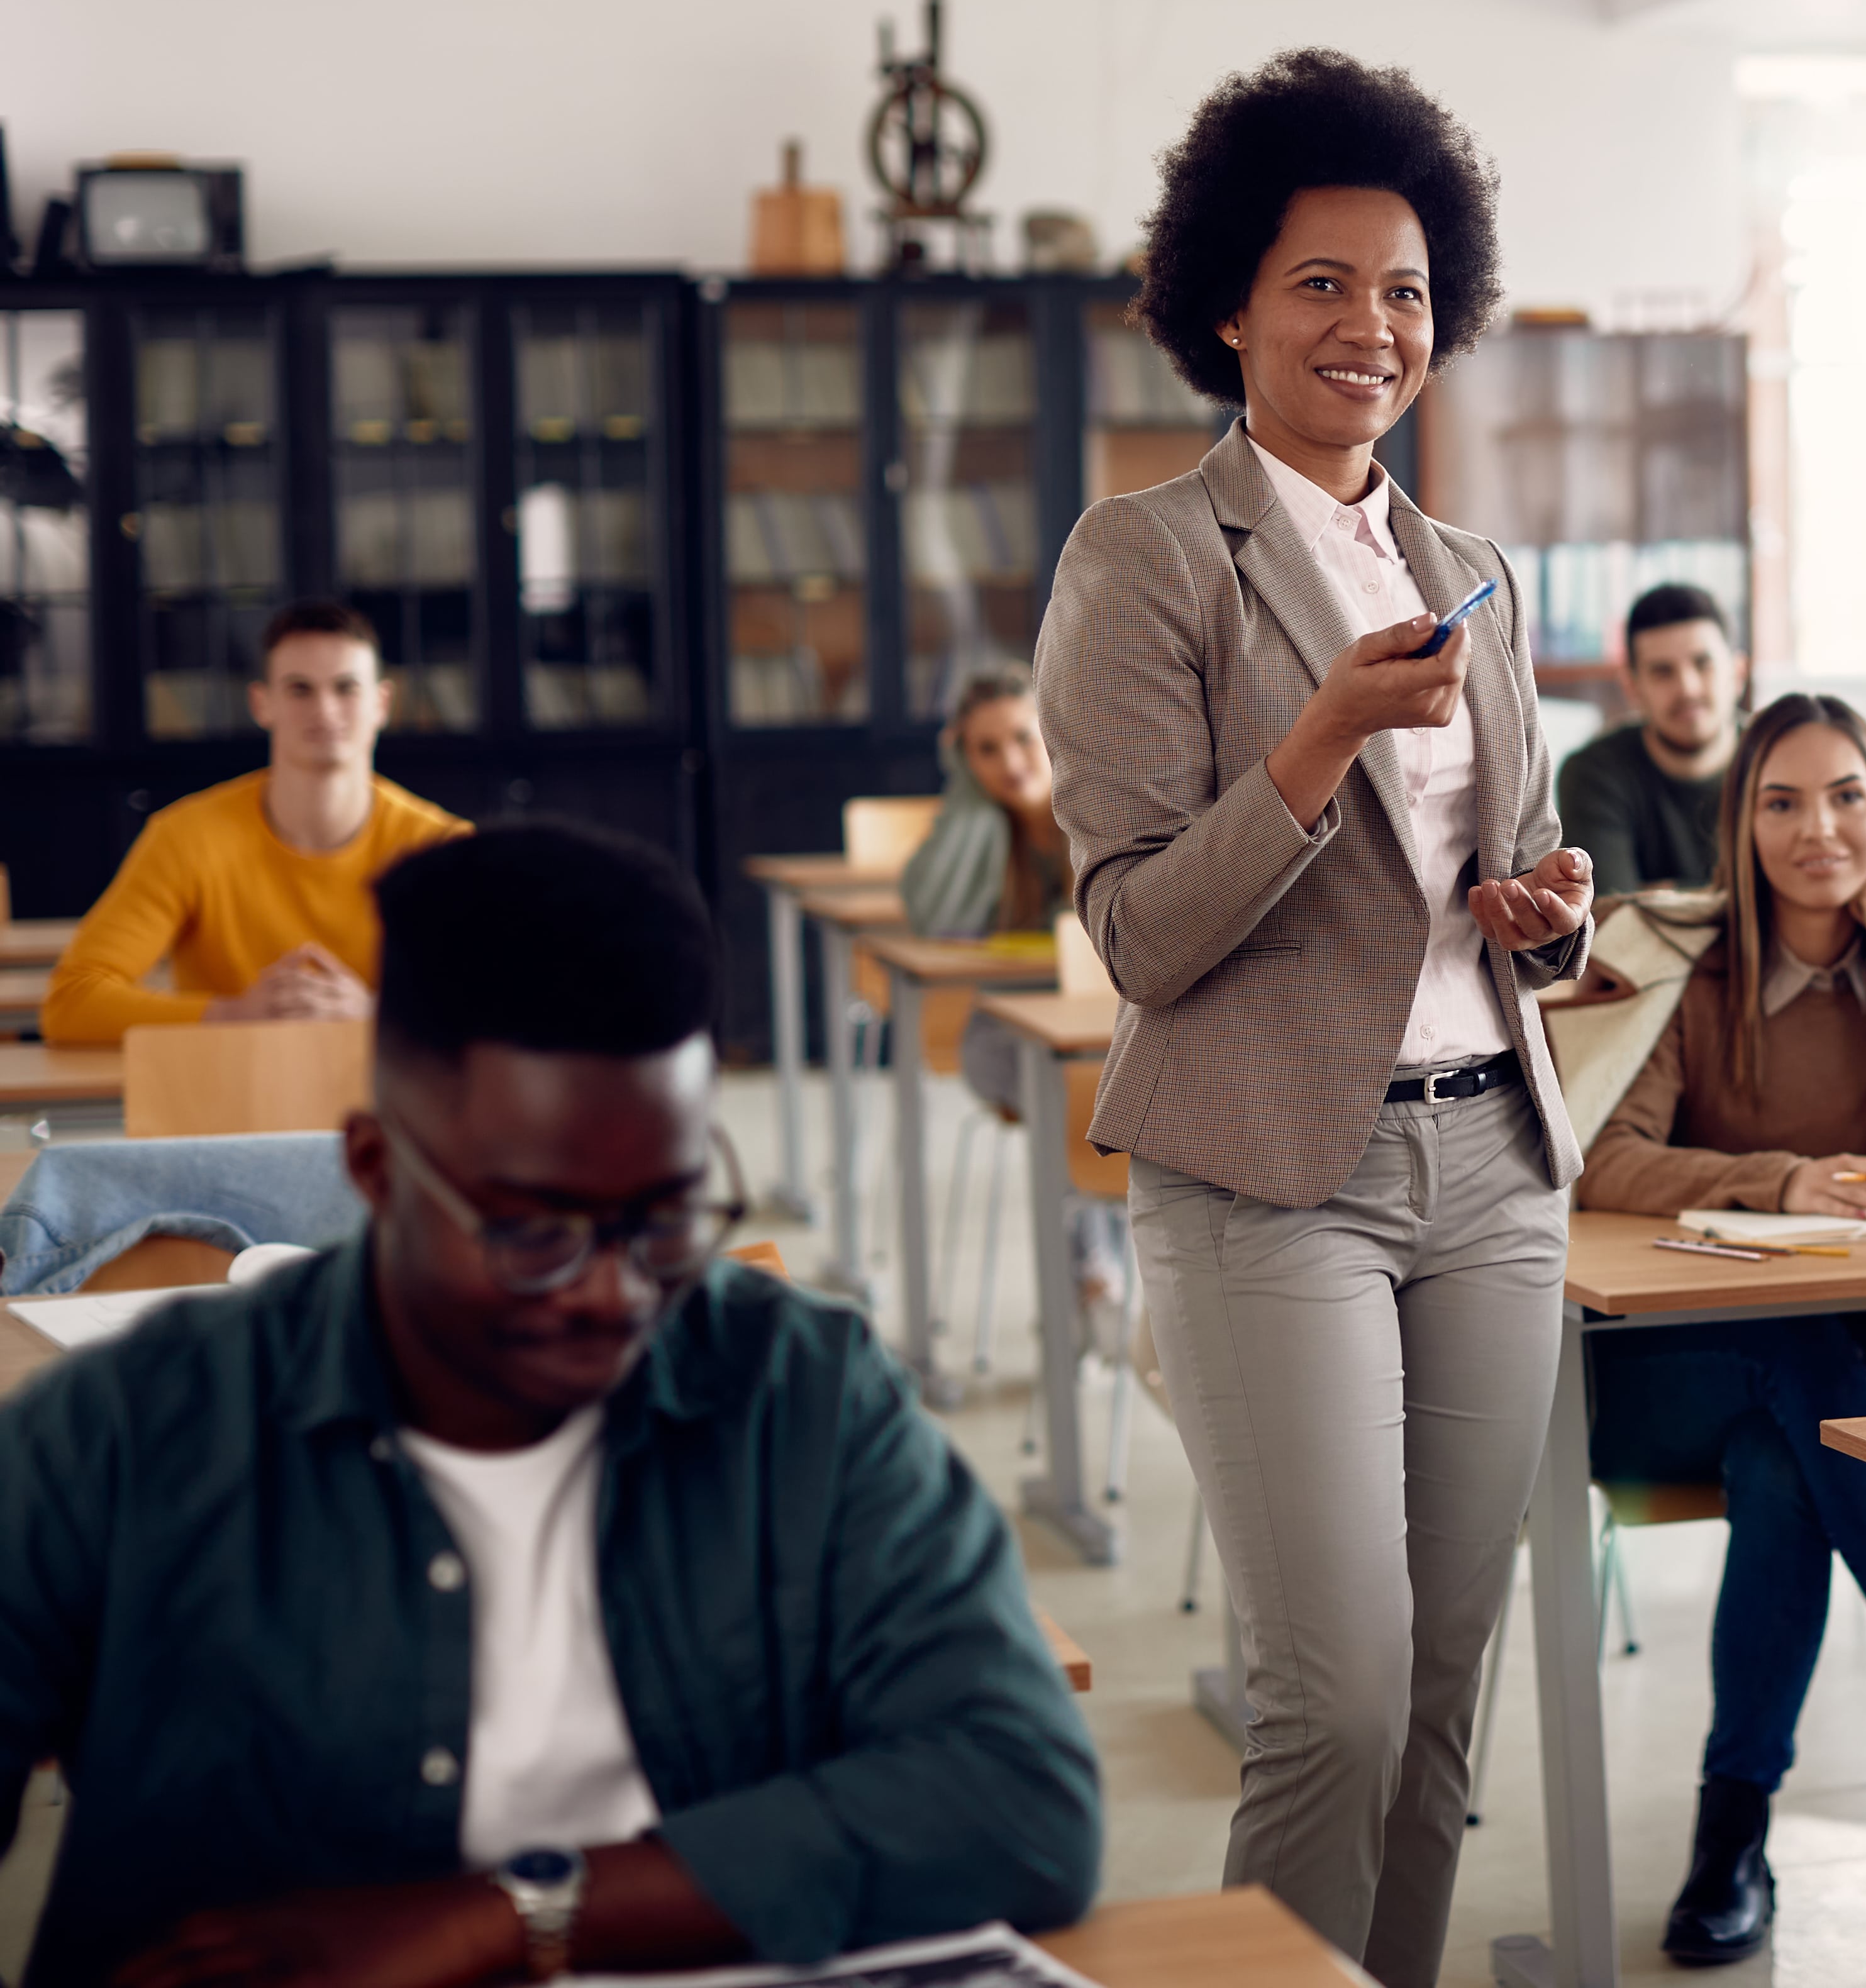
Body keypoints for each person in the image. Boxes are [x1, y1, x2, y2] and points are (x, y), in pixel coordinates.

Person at [0, 821, 1102, 1986]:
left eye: (667, 1217)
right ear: (375, 1170)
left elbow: (1022, 1795)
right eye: (534, 1230)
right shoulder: (129, 1434)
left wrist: (503, 1916)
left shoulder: (800, 1391)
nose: (613, 1290)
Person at [1033, 47, 1593, 1988]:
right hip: (1277, 1173)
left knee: (1441, 1699)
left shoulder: (1470, 573)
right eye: (1324, 284)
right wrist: (1319, 739)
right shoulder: (1144, 558)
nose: (1373, 326)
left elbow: (1509, 863)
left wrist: (1544, 913)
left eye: (1408, 291)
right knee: (1333, 1702)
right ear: (1230, 308)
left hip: (1496, 1159)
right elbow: (1137, 933)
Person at [1575, 694, 1866, 1965]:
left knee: (1785, 1458)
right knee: (1788, 1348)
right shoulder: (1684, 967)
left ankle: (1730, 1837)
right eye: (1783, 801)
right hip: (1661, 1376)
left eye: (1847, 796)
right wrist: (1780, 1181)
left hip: (1833, 1409)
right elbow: (1607, 1158)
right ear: (1741, 823)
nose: (1819, 828)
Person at [42, 600, 467, 1043]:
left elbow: (507, 1000)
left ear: (382, 704)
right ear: (262, 704)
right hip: (225, 1084)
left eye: (346, 688)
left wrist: (374, 1012)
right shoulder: (186, 837)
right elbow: (70, 1002)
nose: (325, 710)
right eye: (300, 689)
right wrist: (235, 1014)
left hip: (385, 1088)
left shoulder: (445, 848)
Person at [899, 660, 1076, 1108]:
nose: (1010, 763)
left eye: (1023, 738)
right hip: (1014, 1017)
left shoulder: (1102, 814)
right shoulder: (983, 833)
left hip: (1107, 1016)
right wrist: (966, 789)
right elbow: (934, 919)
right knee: (996, 1057)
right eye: (986, 750)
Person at [1555, 582, 1746, 891]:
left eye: (1703, 664)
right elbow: (1611, 913)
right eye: (1663, 672)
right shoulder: (1593, 774)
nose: (1687, 688)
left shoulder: (1781, 760)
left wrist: (1660, 896)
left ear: (1738, 674)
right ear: (1632, 687)